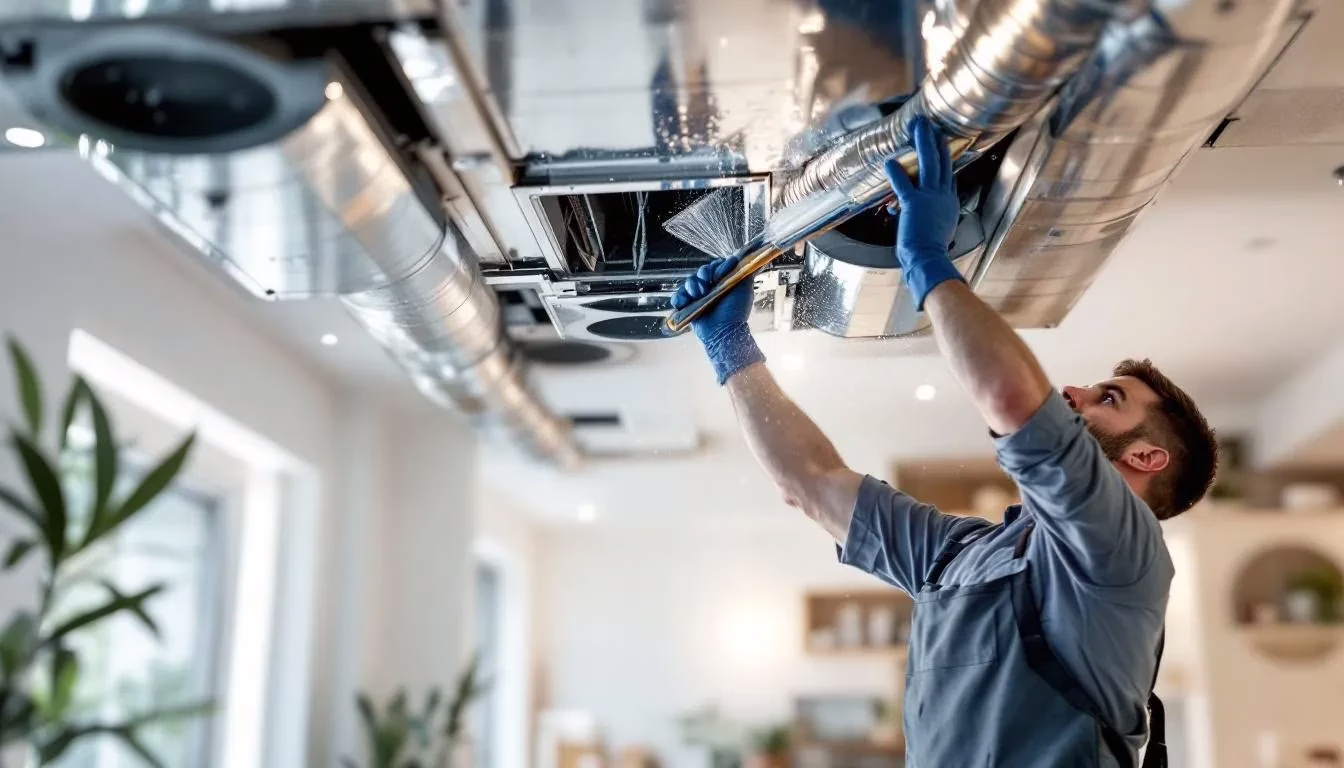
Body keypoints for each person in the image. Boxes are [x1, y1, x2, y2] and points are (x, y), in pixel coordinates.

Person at [671, 117, 1219, 767]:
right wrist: (733, 352)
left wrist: (931, 265)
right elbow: (811, 483)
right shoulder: (964, 557)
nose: (1075, 392)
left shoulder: (1123, 549)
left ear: (1146, 458)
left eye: (1108, 399)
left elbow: (1015, 402)